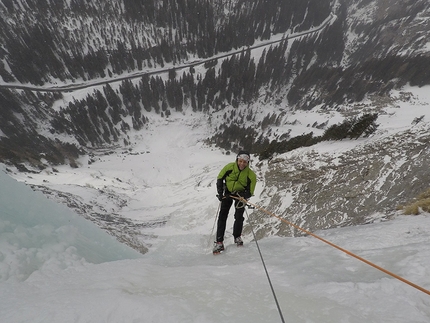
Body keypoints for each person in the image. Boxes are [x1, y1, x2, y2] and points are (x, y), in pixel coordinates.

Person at [213, 150, 257, 253]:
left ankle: (237, 237)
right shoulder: (229, 167)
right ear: (237, 160)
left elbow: (250, 191)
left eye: (244, 162)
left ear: (248, 163)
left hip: (240, 196)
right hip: (227, 193)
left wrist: (244, 196)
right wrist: (221, 193)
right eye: (240, 161)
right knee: (223, 215)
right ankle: (219, 241)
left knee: (239, 216)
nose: (242, 164)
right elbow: (220, 178)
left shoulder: (251, 175)